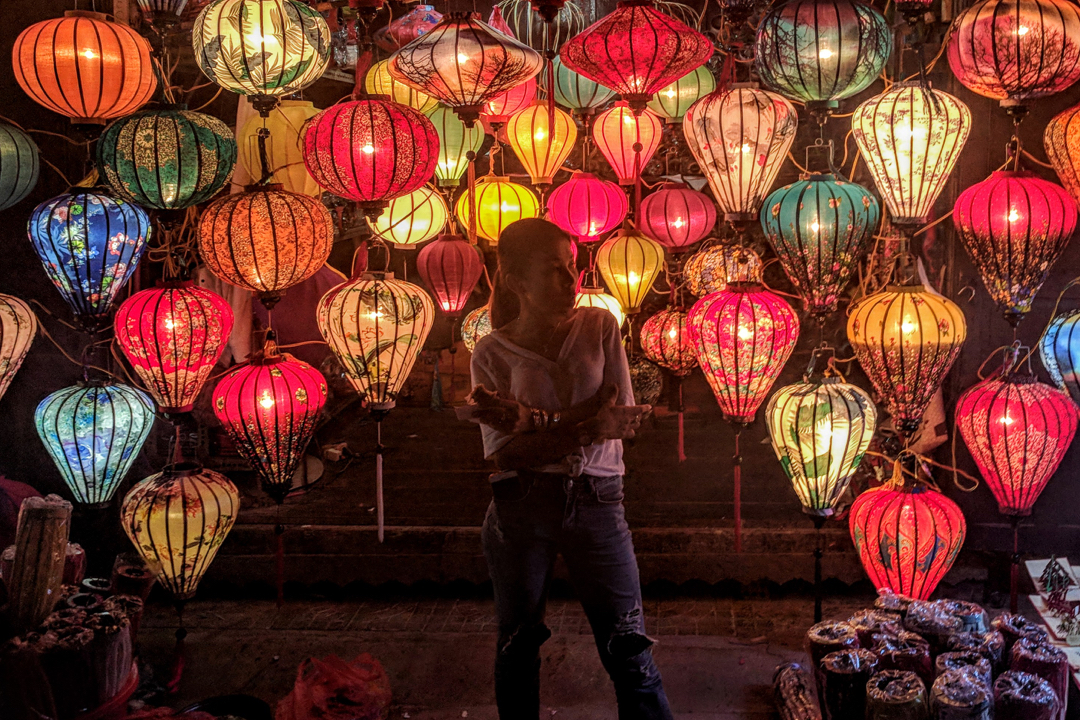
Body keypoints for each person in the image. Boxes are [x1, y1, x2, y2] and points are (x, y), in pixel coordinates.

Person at [467, 218, 674, 719]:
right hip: (520, 508)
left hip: (599, 501)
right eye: (553, 271)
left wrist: (534, 421)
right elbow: (506, 455)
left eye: (572, 269)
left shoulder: (599, 325)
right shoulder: (491, 352)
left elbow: (621, 420)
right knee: (518, 646)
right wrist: (582, 422)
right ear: (516, 281)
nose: (570, 281)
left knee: (629, 645)